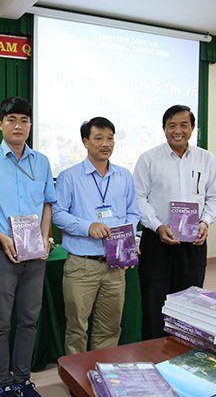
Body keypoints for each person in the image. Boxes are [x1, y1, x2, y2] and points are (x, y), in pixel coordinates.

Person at [0, 96, 56, 397]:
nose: (18, 126)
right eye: (12, 120)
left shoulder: (40, 161)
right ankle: (3, 384)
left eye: (24, 120)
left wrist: (44, 236)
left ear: (30, 125)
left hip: (35, 255)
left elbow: (46, 204)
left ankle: (23, 379)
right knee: (1, 322)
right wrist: (1, 236)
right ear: (0, 124)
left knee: (30, 319)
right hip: (1, 253)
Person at [133, 105, 216, 340]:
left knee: (190, 300)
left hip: (193, 241)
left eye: (184, 125)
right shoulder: (149, 159)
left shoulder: (207, 159)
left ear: (193, 128)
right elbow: (138, 198)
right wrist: (157, 226)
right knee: (155, 301)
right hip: (158, 240)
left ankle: (185, 349)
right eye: (172, 125)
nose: (177, 130)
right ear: (164, 128)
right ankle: (153, 351)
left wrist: (205, 222)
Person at [52, 117, 140, 355]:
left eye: (110, 138)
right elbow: (57, 214)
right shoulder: (69, 176)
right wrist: (86, 226)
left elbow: (133, 211)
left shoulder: (124, 176)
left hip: (115, 265)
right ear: (85, 142)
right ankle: (77, 380)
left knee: (109, 327)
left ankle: (104, 374)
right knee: (77, 328)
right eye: (99, 138)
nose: (106, 143)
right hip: (82, 265)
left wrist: (127, 236)